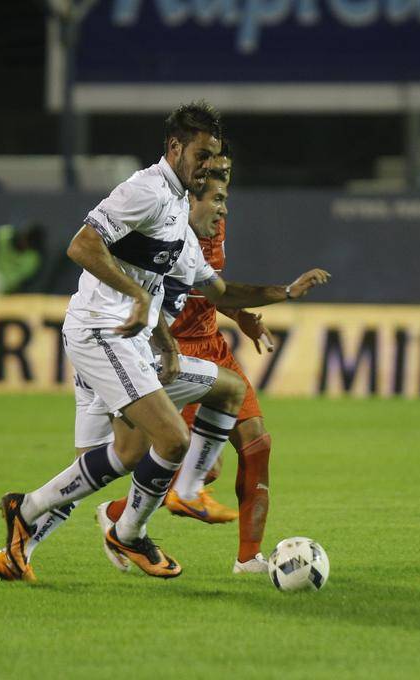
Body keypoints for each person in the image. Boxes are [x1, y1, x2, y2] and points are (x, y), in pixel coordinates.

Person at [0, 101, 225, 581]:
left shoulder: (178, 201)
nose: (207, 166)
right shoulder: (146, 190)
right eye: (200, 155)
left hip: (125, 336)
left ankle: (22, 521)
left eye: (212, 157)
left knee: (125, 453)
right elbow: (82, 245)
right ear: (175, 148)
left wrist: (163, 339)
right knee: (173, 438)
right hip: (101, 329)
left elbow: (148, 281)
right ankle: (129, 533)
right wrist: (135, 298)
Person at [93, 167, 330, 574]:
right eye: (217, 198)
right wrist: (280, 294)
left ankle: (249, 558)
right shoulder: (163, 230)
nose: (223, 209)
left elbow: (210, 288)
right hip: (174, 350)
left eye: (226, 197)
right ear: (190, 196)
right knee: (204, 467)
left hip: (213, 344)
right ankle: (118, 514)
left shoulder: (213, 229)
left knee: (257, 443)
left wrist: (241, 315)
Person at [0, 221, 46, 293]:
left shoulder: (35, 256)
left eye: (31, 245)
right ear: (24, 235)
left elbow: (30, 282)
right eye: (27, 241)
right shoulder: (2, 236)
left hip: (13, 295)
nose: (26, 246)